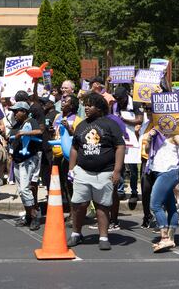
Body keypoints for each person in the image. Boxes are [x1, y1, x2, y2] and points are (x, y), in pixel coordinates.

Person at [67, 93, 125, 251]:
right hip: (83, 172)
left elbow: (120, 146)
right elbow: (74, 147)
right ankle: (76, 234)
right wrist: (71, 169)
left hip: (104, 172)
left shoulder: (110, 124)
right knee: (79, 204)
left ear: (99, 108)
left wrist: (117, 170)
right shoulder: (81, 125)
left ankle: (103, 237)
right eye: (85, 105)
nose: (86, 108)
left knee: (102, 205)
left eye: (90, 105)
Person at [145, 117, 179, 252]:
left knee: (154, 205)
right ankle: (171, 239)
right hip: (158, 171)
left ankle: (164, 238)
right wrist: (149, 138)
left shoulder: (174, 134)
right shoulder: (156, 132)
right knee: (170, 205)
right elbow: (148, 150)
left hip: (169, 172)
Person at [8, 101, 43, 231]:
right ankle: (28, 216)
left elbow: (39, 131)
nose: (15, 113)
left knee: (24, 190)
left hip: (27, 160)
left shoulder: (31, 120)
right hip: (17, 161)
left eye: (17, 111)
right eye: (14, 111)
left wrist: (24, 133)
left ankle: (34, 217)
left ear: (24, 111)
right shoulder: (17, 124)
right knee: (21, 191)